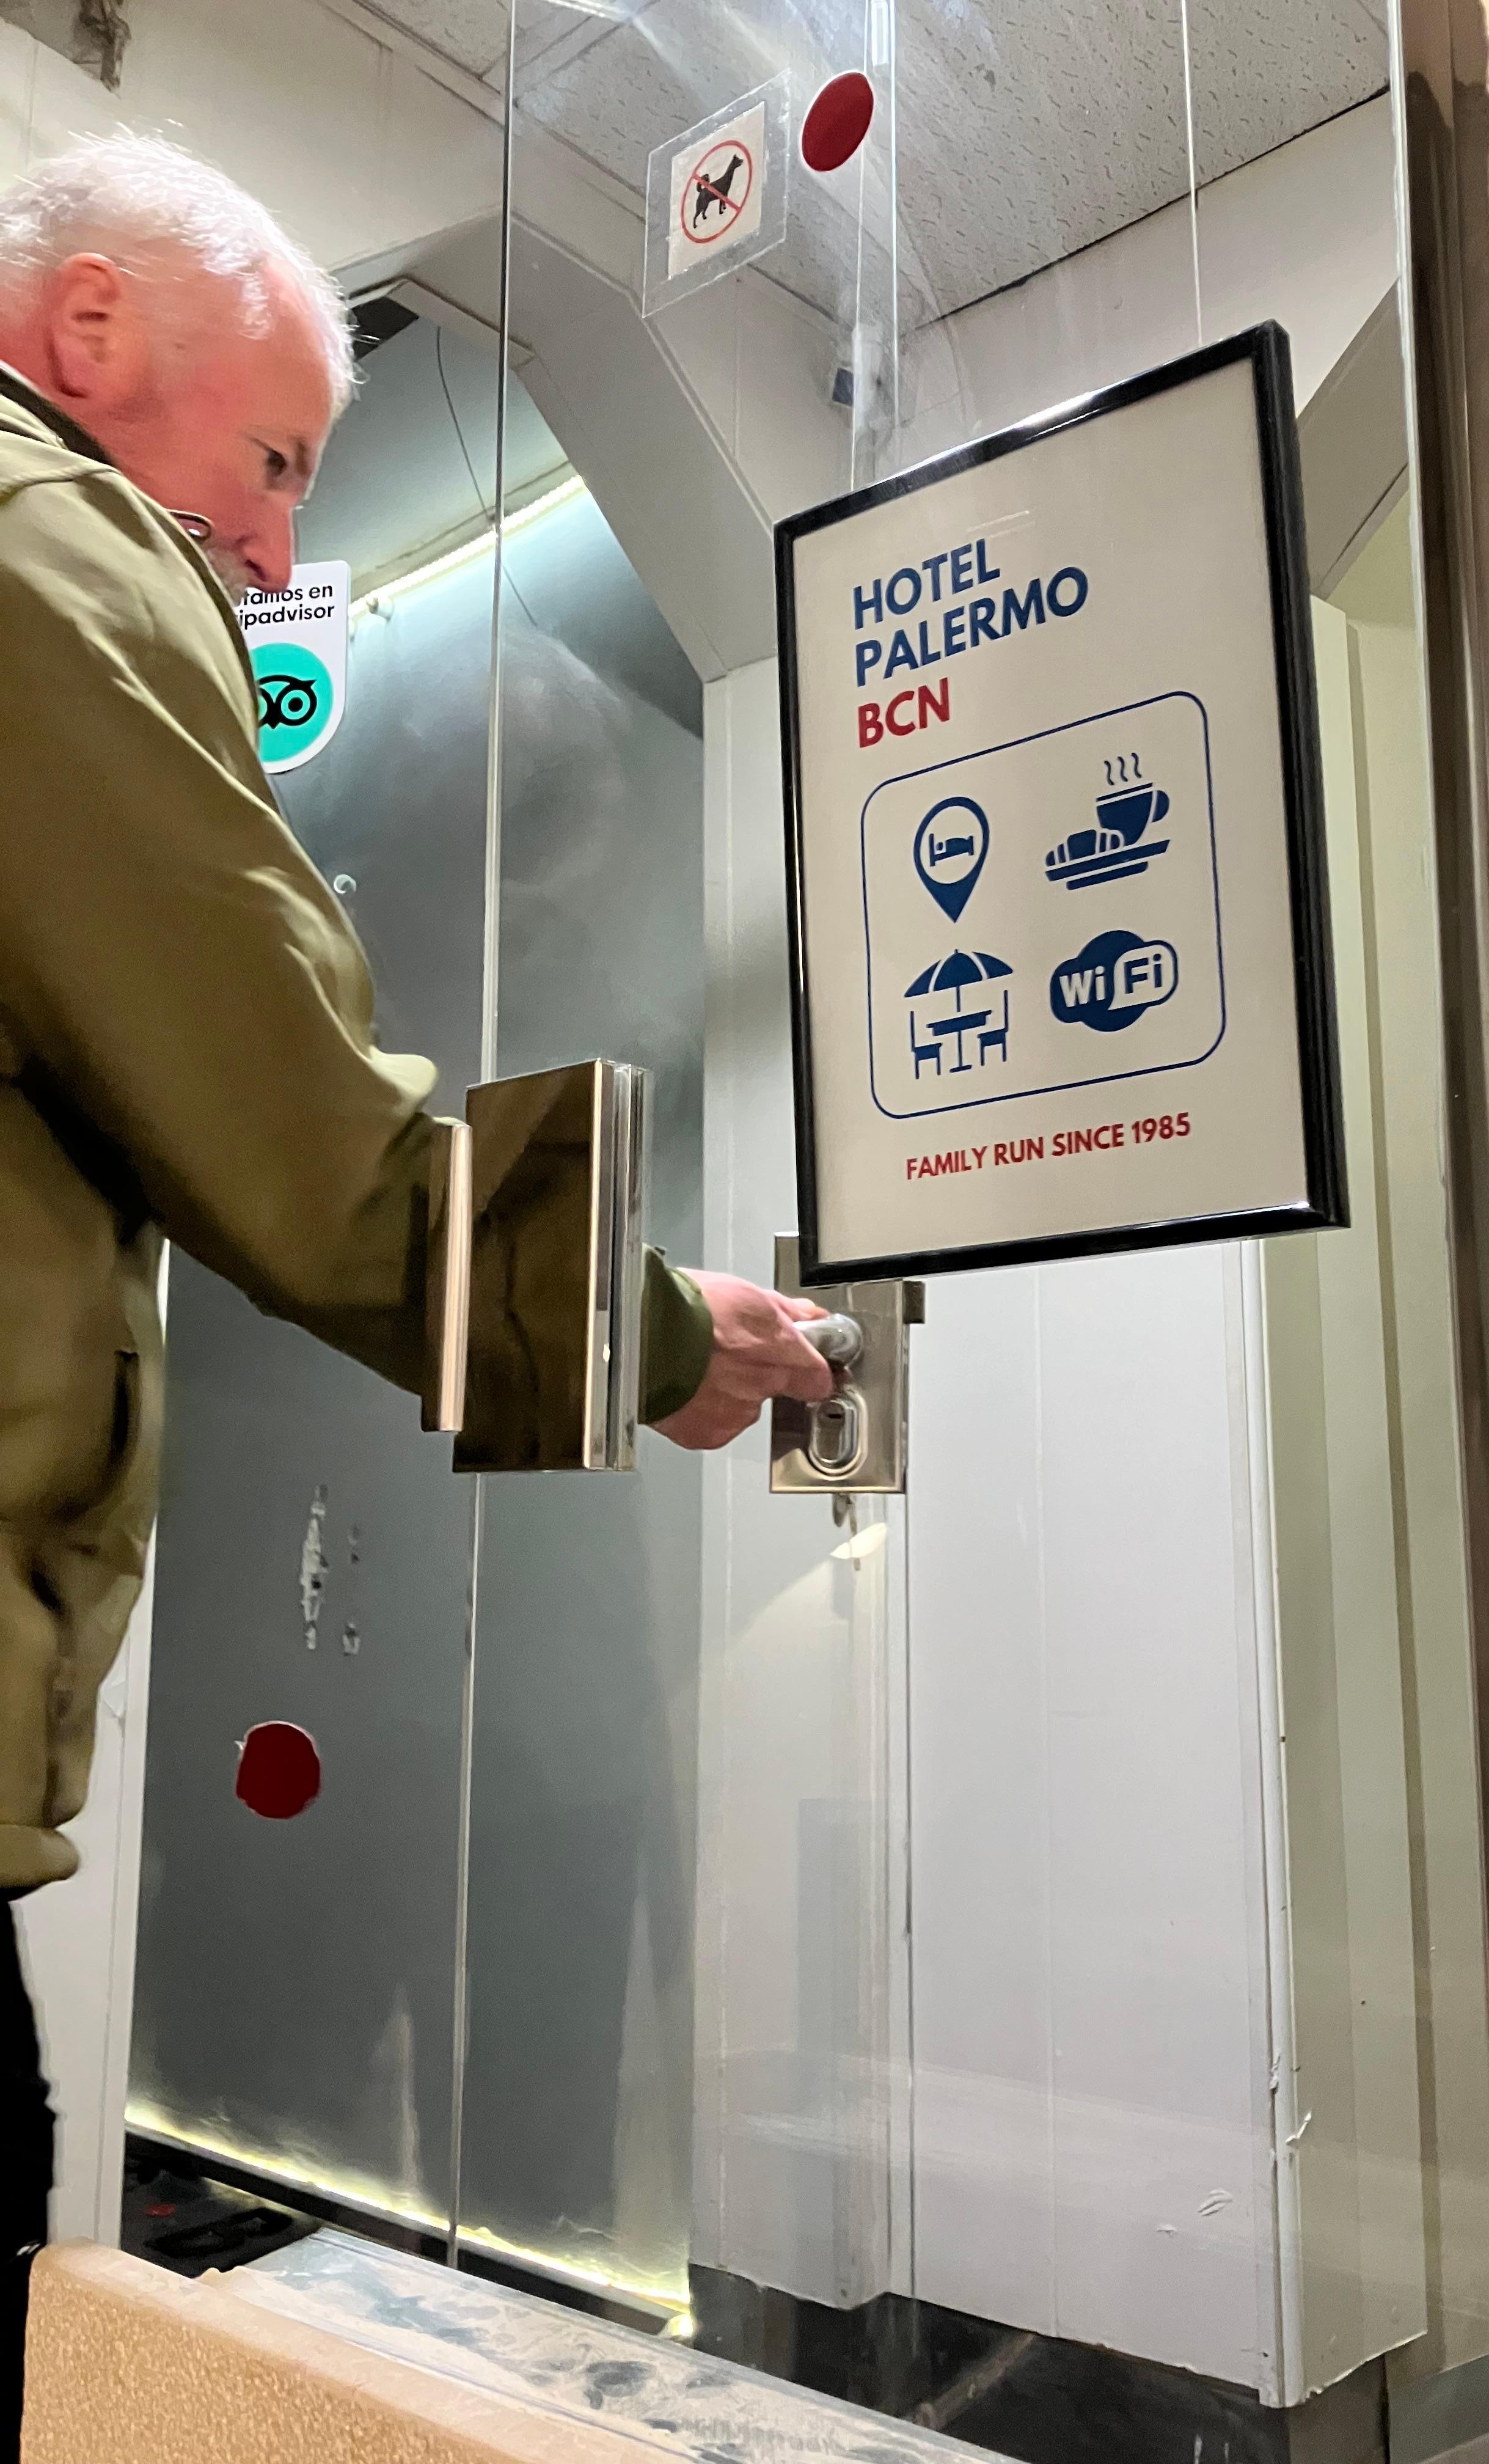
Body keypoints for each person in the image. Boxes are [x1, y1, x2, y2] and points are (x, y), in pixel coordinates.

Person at [0, 133, 833, 2448]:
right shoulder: (39, 553)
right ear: (89, 339)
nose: (273, 551)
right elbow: (293, 1124)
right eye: (270, 460)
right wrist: (670, 1337)